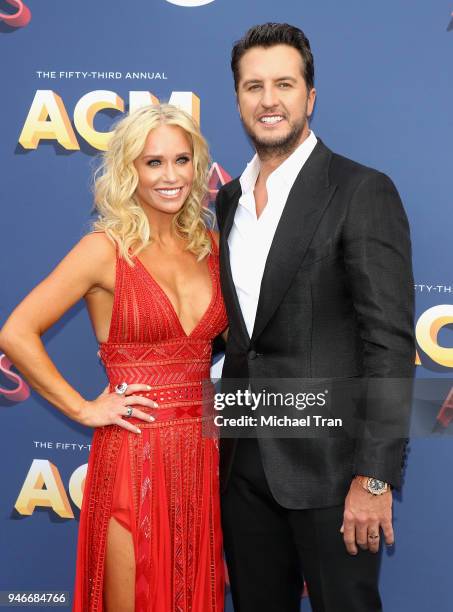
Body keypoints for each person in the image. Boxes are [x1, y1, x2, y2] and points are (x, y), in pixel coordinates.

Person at [215, 23, 415, 612]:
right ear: (237, 99)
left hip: (333, 473)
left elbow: (389, 343)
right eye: (253, 86)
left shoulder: (360, 191)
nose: (268, 100)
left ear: (310, 97)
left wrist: (373, 478)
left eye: (284, 84)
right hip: (241, 463)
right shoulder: (227, 200)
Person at [0, 104, 227, 612]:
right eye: (153, 163)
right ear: (129, 170)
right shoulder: (104, 249)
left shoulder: (212, 248)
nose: (170, 176)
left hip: (204, 454)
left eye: (182, 160)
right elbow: (16, 333)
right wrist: (83, 409)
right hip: (135, 452)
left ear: (197, 166)